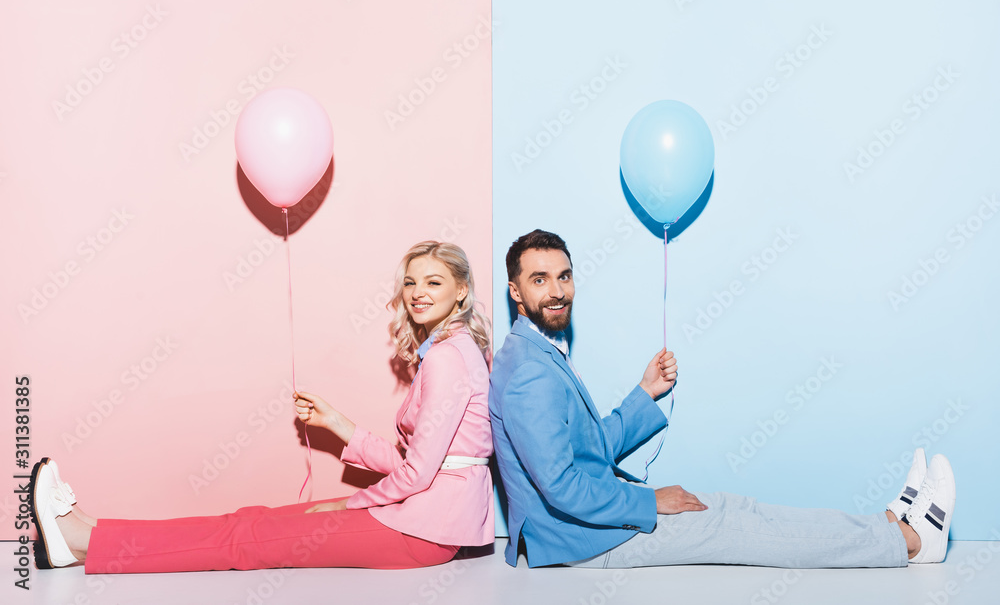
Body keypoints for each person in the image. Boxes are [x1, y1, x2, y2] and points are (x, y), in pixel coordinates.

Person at [489, 229, 956, 569]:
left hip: (588, 524)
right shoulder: (530, 372)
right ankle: (911, 543)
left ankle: (891, 522)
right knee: (735, 529)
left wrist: (644, 393)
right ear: (516, 290)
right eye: (540, 279)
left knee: (736, 510)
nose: (557, 291)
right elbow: (561, 487)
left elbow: (585, 446)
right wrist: (649, 502)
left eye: (564, 276)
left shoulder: (536, 351)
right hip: (581, 541)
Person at [31, 241, 494, 573]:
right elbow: (418, 462)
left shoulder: (448, 360)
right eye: (411, 281)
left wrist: (348, 503)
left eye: (434, 281)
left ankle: (84, 542)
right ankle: (92, 532)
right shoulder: (447, 350)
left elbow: (418, 475)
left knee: (247, 541)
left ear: (460, 291)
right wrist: (339, 425)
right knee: (250, 521)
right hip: (422, 515)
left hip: (422, 529)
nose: (418, 292)